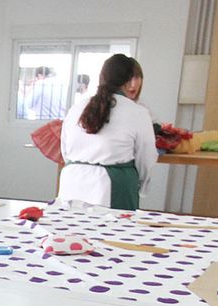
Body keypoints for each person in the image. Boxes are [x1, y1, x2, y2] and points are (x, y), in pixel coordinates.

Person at [57, 54, 157, 210]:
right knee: (112, 234)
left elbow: (65, 150)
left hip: (71, 182)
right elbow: (146, 156)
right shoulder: (137, 112)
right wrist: (142, 186)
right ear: (129, 80)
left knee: (72, 232)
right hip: (112, 187)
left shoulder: (78, 107)